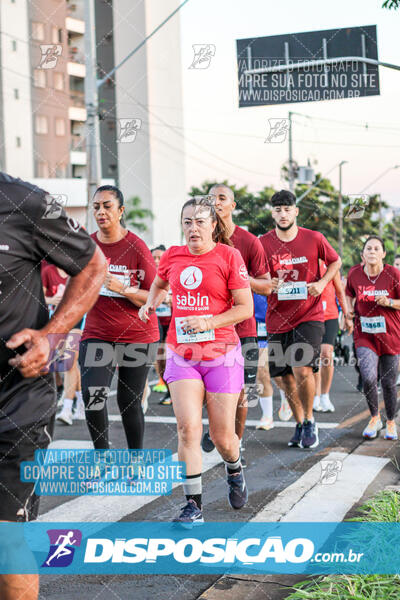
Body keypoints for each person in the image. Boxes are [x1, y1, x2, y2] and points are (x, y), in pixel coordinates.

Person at [0, 172, 106, 600]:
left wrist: (52, 334)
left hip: (15, 398)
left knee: (9, 538)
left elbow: (93, 265)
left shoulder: (23, 202)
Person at [139, 196, 253, 525]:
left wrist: (208, 322)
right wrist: (150, 301)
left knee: (222, 438)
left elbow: (244, 308)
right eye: (187, 222)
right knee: (188, 429)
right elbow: (160, 282)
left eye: (200, 222)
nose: (193, 228)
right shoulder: (173, 255)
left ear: (214, 225)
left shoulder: (228, 256)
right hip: (182, 354)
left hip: (221, 354)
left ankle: (235, 468)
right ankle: (194, 506)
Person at [79, 185, 159, 450]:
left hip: (137, 335)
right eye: (96, 207)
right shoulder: (88, 245)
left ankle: (135, 459)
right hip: (98, 334)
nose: (101, 212)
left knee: (129, 402)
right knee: (93, 396)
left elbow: (153, 297)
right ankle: (102, 459)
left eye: (107, 206)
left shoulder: (136, 247)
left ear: (121, 210)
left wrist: (122, 288)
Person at [259, 190, 341, 449]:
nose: (283, 214)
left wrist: (322, 282)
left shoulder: (314, 238)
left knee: (301, 367)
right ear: (272, 213)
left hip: (309, 314)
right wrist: (265, 284)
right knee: (282, 377)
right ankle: (299, 422)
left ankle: (310, 421)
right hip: (276, 318)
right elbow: (252, 275)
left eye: (287, 209)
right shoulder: (263, 242)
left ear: (296, 212)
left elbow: (335, 262)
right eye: (278, 210)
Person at [201, 184, 270, 463]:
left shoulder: (250, 241)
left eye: (221, 198)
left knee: (242, 391)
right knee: (210, 390)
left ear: (233, 205)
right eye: (211, 199)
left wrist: (238, 277)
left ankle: (235, 442)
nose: (216, 203)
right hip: (210, 328)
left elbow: (265, 286)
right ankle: (218, 428)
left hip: (243, 330)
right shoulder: (200, 238)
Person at [346, 236, 400, 440]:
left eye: (377, 248)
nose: (372, 252)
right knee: (368, 377)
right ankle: (374, 417)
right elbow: (349, 295)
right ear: (363, 254)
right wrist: (349, 312)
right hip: (365, 334)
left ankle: (391, 422)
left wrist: (389, 302)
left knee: (388, 382)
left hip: (391, 334)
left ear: (383, 254)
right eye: (368, 248)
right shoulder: (355, 274)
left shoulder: (393, 274)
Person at [42, 264, 85, 424]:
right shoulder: (48, 271)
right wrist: (52, 299)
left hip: (79, 319)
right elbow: (38, 295)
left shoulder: (79, 270)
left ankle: (66, 409)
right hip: (58, 320)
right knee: (69, 365)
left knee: (69, 360)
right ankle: (81, 403)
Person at [313, 263, 351, 412]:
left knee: (326, 353)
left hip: (330, 315)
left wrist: (347, 316)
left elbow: (340, 291)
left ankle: (325, 395)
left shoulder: (331, 264)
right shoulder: (304, 260)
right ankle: (315, 396)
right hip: (311, 316)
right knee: (314, 357)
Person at [253, 292, 292, 430]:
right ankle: (267, 416)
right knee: (260, 371)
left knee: (278, 375)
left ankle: (286, 397)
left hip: (279, 322)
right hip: (258, 323)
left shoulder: (277, 271)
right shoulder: (247, 272)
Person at [151, 244, 173, 405]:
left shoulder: (175, 274)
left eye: (160, 257)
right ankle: (169, 391)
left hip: (173, 326)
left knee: (167, 357)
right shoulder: (150, 277)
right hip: (156, 324)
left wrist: (171, 300)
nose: (157, 261)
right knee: (159, 361)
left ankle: (176, 393)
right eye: (154, 258)